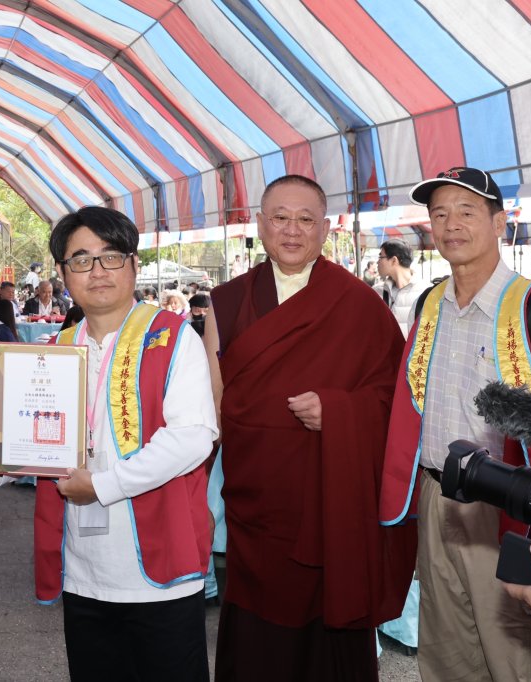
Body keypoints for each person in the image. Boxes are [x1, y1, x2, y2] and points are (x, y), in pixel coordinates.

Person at [205, 174, 414, 681]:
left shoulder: (359, 304)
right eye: (280, 217)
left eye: (305, 219)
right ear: (260, 224)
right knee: (260, 633)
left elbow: (398, 400)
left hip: (330, 501)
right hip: (259, 502)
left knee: (328, 632)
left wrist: (341, 411)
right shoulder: (227, 300)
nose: (292, 231)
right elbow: (216, 407)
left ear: (325, 229)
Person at [379, 167, 531, 681]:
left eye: (466, 211)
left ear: (498, 221)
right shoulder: (429, 304)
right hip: (436, 497)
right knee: (446, 652)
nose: (451, 225)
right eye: (439, 214)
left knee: (519, 654)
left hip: (507, 510)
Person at [35, 206, 216, 681]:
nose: (97, 271)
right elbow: (26, 442)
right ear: (62, 273)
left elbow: (193, 437)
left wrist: (104, 484)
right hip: (84, 571)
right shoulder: (55, 351)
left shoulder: (174, 338)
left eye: (110, 256)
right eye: (81, 259)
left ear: (134, 265)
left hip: (160, 574)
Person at [373, 239, 431, 337]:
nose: (377, 262)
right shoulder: (377, 291)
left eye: (380, 257)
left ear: (394, 260)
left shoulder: (425, 292)